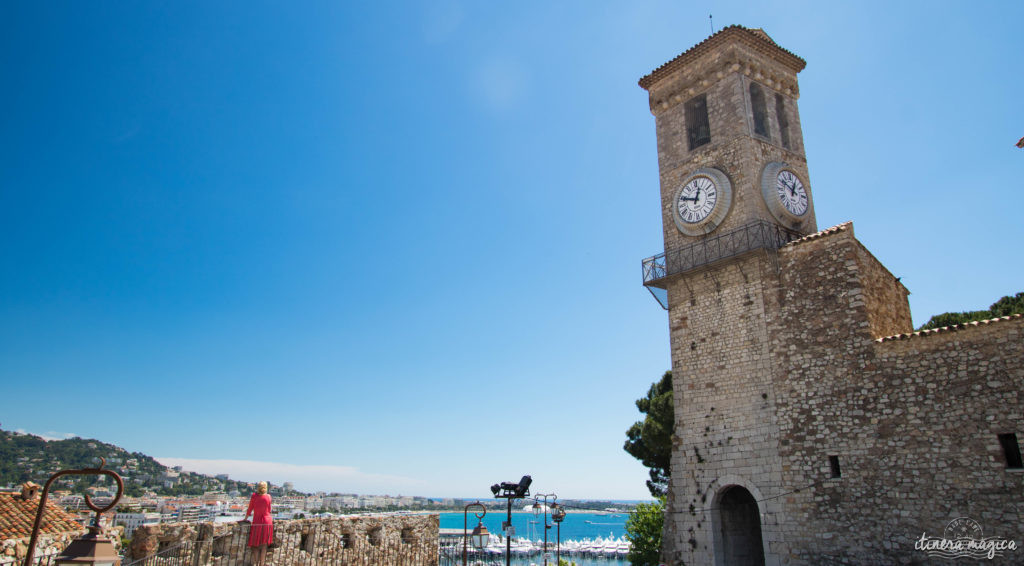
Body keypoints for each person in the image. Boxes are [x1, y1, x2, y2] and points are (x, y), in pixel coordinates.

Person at [243, 481, 273, 566]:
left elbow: (250, 509)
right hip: (267, 521)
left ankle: (256, 563)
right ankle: (262, 564)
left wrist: (245, 519)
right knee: (264, 545)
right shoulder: (268, 497)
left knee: (254, 544)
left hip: (257, 521)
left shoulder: (254, 496)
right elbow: (269, 510)